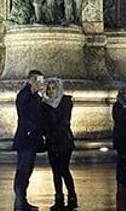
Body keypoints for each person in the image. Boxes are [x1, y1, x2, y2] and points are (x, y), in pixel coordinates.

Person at [12, 70, 45, 211]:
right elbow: (24, 110)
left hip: (31, 139)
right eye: (39, 80)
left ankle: (22, 200)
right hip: (26, 138)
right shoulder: (25, 94)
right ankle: (20, 202)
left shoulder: (35, 96)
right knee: (23, 169)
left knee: (27, 170)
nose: (41, 83)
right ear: (32, 80)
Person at [42, 78, 77, 210]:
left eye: (53, 88)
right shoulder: (44, 104)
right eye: (49, 88)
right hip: (52, 141)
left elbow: (64, 120)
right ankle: (58, 197)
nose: (51, 91)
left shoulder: (66, 102)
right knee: (55, 171)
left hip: (64, 140)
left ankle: (72, 196)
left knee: (64, 169)